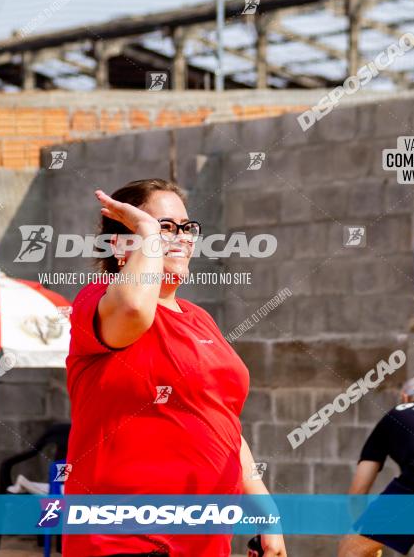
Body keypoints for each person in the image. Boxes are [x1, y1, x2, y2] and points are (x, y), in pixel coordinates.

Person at [62, 179, 286, 557]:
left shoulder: (199, 318)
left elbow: (221, 418)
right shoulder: (100, 299)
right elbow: (134, 307)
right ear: (119, 244)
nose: (180, 238)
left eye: (186, 228)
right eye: (164, 226)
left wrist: (265, 511)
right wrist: (150, 235)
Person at [337, 377, 414, 557]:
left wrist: (362, 529)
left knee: (351, 550)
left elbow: (359, 490)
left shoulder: (397, 413)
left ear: (404, 397)